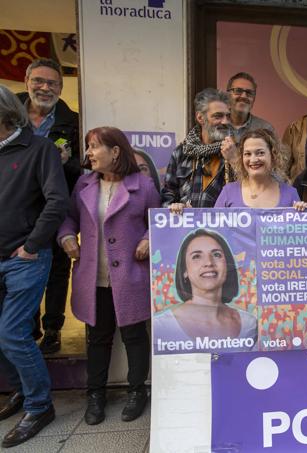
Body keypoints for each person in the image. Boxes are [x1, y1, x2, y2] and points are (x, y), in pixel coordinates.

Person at [58, 127, 160, 426]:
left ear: (115, 151)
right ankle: (96, 394)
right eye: (88, 147)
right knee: (98, 338)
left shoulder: (143, 185)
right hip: (94, 278)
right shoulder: (84, 184)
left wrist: (148, 238)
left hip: (130, 276)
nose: (88, 153)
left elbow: (156, 220)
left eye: (93, 147)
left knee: (134, 337)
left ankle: (137, 391)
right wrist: (66, 237)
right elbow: (68, 218)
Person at [0, 85, 68, 448]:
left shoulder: (39, 149)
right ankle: (23, 393)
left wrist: (31, 245)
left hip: (23, 259)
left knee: (12, 333)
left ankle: (40, 405)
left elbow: (57, 201)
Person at [18, 58, 81, 354]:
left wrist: (66, 164)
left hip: (54, 205)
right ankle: (28, 327)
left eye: (52, 83)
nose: (45, 88)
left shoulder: (72, 121)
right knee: (20, 266)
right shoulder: (9, 113)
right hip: (15, 206)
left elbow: (85, 167)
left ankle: (53, 327)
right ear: (27, 80)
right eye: (39, 81)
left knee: (57, 267)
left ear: (61, 87)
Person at [153, 229, 257, 351]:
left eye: (216, 255)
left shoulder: (249, 324)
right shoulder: (161, 327)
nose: (208, 263)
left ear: (227, 265)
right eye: (196, 256)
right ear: (184, 270)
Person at [161, 88, 237, 213]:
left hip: (227, 229)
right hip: (188, 230)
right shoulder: (182, 152)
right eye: (218, 116)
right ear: (200, 118)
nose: (225, 121)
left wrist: (235, 160)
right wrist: (175, 207)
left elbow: (253, 191)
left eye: (228, 116)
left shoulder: (239, 150)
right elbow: (168, 194)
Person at [215, 129, 306, 209]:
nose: (253, 160)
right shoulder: (228, 192)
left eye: (260, 153)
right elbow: (213, 227)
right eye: (247, 154)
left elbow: (300, 227)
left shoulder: (290, 194)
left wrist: (303, 212)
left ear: (273, 155)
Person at [226, 72, 275, 141]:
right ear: (227, 95)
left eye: (249, 93)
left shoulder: (265, 129)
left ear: (254, 99)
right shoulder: (216, 125)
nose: (244, 96)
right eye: (238, 91)